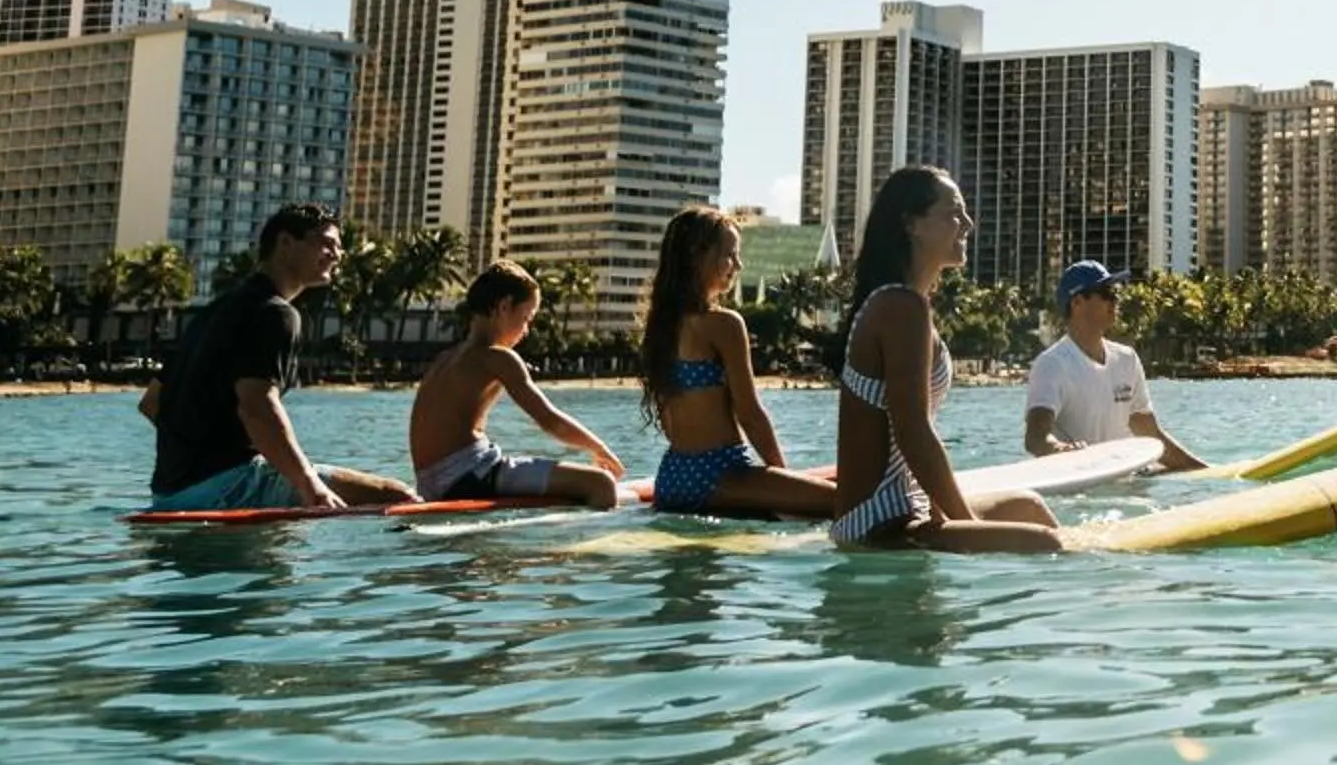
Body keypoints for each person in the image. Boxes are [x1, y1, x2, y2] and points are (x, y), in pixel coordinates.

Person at [831, 166, 1062, 553]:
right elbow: (913, 431)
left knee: (1029, 506)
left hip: (908, 510)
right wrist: (964, 524)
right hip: (877, 526)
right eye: (954, 213)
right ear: (912, 224)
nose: (968, 224)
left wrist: (944, 508)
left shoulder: (908, 304)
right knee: (1043, 544)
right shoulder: (898, 306)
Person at [141, 204, 416, 512]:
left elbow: (152, 403)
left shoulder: (212, 313)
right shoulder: (276, 313)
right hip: (231, 488)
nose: (337, 254)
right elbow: (258, 406)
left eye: (339, 247)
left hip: (168, 495)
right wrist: (309, 485)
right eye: (326, 243)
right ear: (285, 243)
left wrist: (195, 451)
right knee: (399, 498)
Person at [638, 205, 836, 518]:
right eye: (729, 255)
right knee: (851, 504)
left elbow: (667, 419)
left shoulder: (660, 328)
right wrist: (784, 478)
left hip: (672, 477)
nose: (738, 265)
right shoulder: (723, 324)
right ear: (697, 255)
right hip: (718, 474)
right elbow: (750, 414)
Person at [409, 263, 625, 509]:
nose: (526, 330)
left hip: (430, 484)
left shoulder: (445, 359)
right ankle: (587, 544)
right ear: (504, 307)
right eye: (526, 318)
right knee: (601, 484)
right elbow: (550, 420)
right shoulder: (498, 357)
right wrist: (600, 449)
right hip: (470, 477)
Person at [1024, 259, 1207, 471]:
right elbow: (1036, 439)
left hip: (1131, 482)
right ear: (1076, 302)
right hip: (1082, 490)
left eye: (1116, 292)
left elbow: (1151, 435)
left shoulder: (1127, 359)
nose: (1115, 299)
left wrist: (1208, 473)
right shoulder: (1051, 365)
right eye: (1106, 293)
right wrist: (1062, 451)